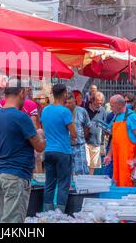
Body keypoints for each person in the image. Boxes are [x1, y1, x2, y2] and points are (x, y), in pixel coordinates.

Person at [0, 81, 45, 223]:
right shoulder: (21, 117)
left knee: (3, 219)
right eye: (25, 94)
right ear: (21, 93)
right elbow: (39, 146)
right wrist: (49, 136)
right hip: (15, 176)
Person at [41, 84, 76, 212]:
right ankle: (60, 214)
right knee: (63, 183)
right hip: (63, 151)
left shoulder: (45, 110)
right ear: (65, 94)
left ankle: (48, 213)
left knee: (49, 183)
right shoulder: (65, 111)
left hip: (49, 150)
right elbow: (74, 134)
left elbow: (45, 130)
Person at [104, 95, 136, 187]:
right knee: (117, 183)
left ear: (119, 105)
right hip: (117, 159)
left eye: (112, 106)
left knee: (128, 184)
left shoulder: (132, 117)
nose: (110, 108)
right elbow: (114, 137)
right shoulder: (116, 117)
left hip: (129, 160)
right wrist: (109, 155)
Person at [66, 93, 91, 175]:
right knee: (68, 170)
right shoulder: (64, 111)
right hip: (67, 145)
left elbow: (87, 126)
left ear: (74, 101)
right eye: (67, 102)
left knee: (81, 170)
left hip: (79, 145)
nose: (68, 104)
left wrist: (83, 138)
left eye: (70, 102)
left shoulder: (82, 111)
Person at [85, 92, 107, 175]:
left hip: (96, 141)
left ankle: (89, 180)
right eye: (97, 103)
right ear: (92, 101)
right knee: (86, 163)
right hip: (85, 141)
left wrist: (102, 142)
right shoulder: (85, 110)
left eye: (101, 103)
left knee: (93, 165)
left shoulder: (102, 110)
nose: (99, 105)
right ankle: (84, 180)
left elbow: (105, 126)